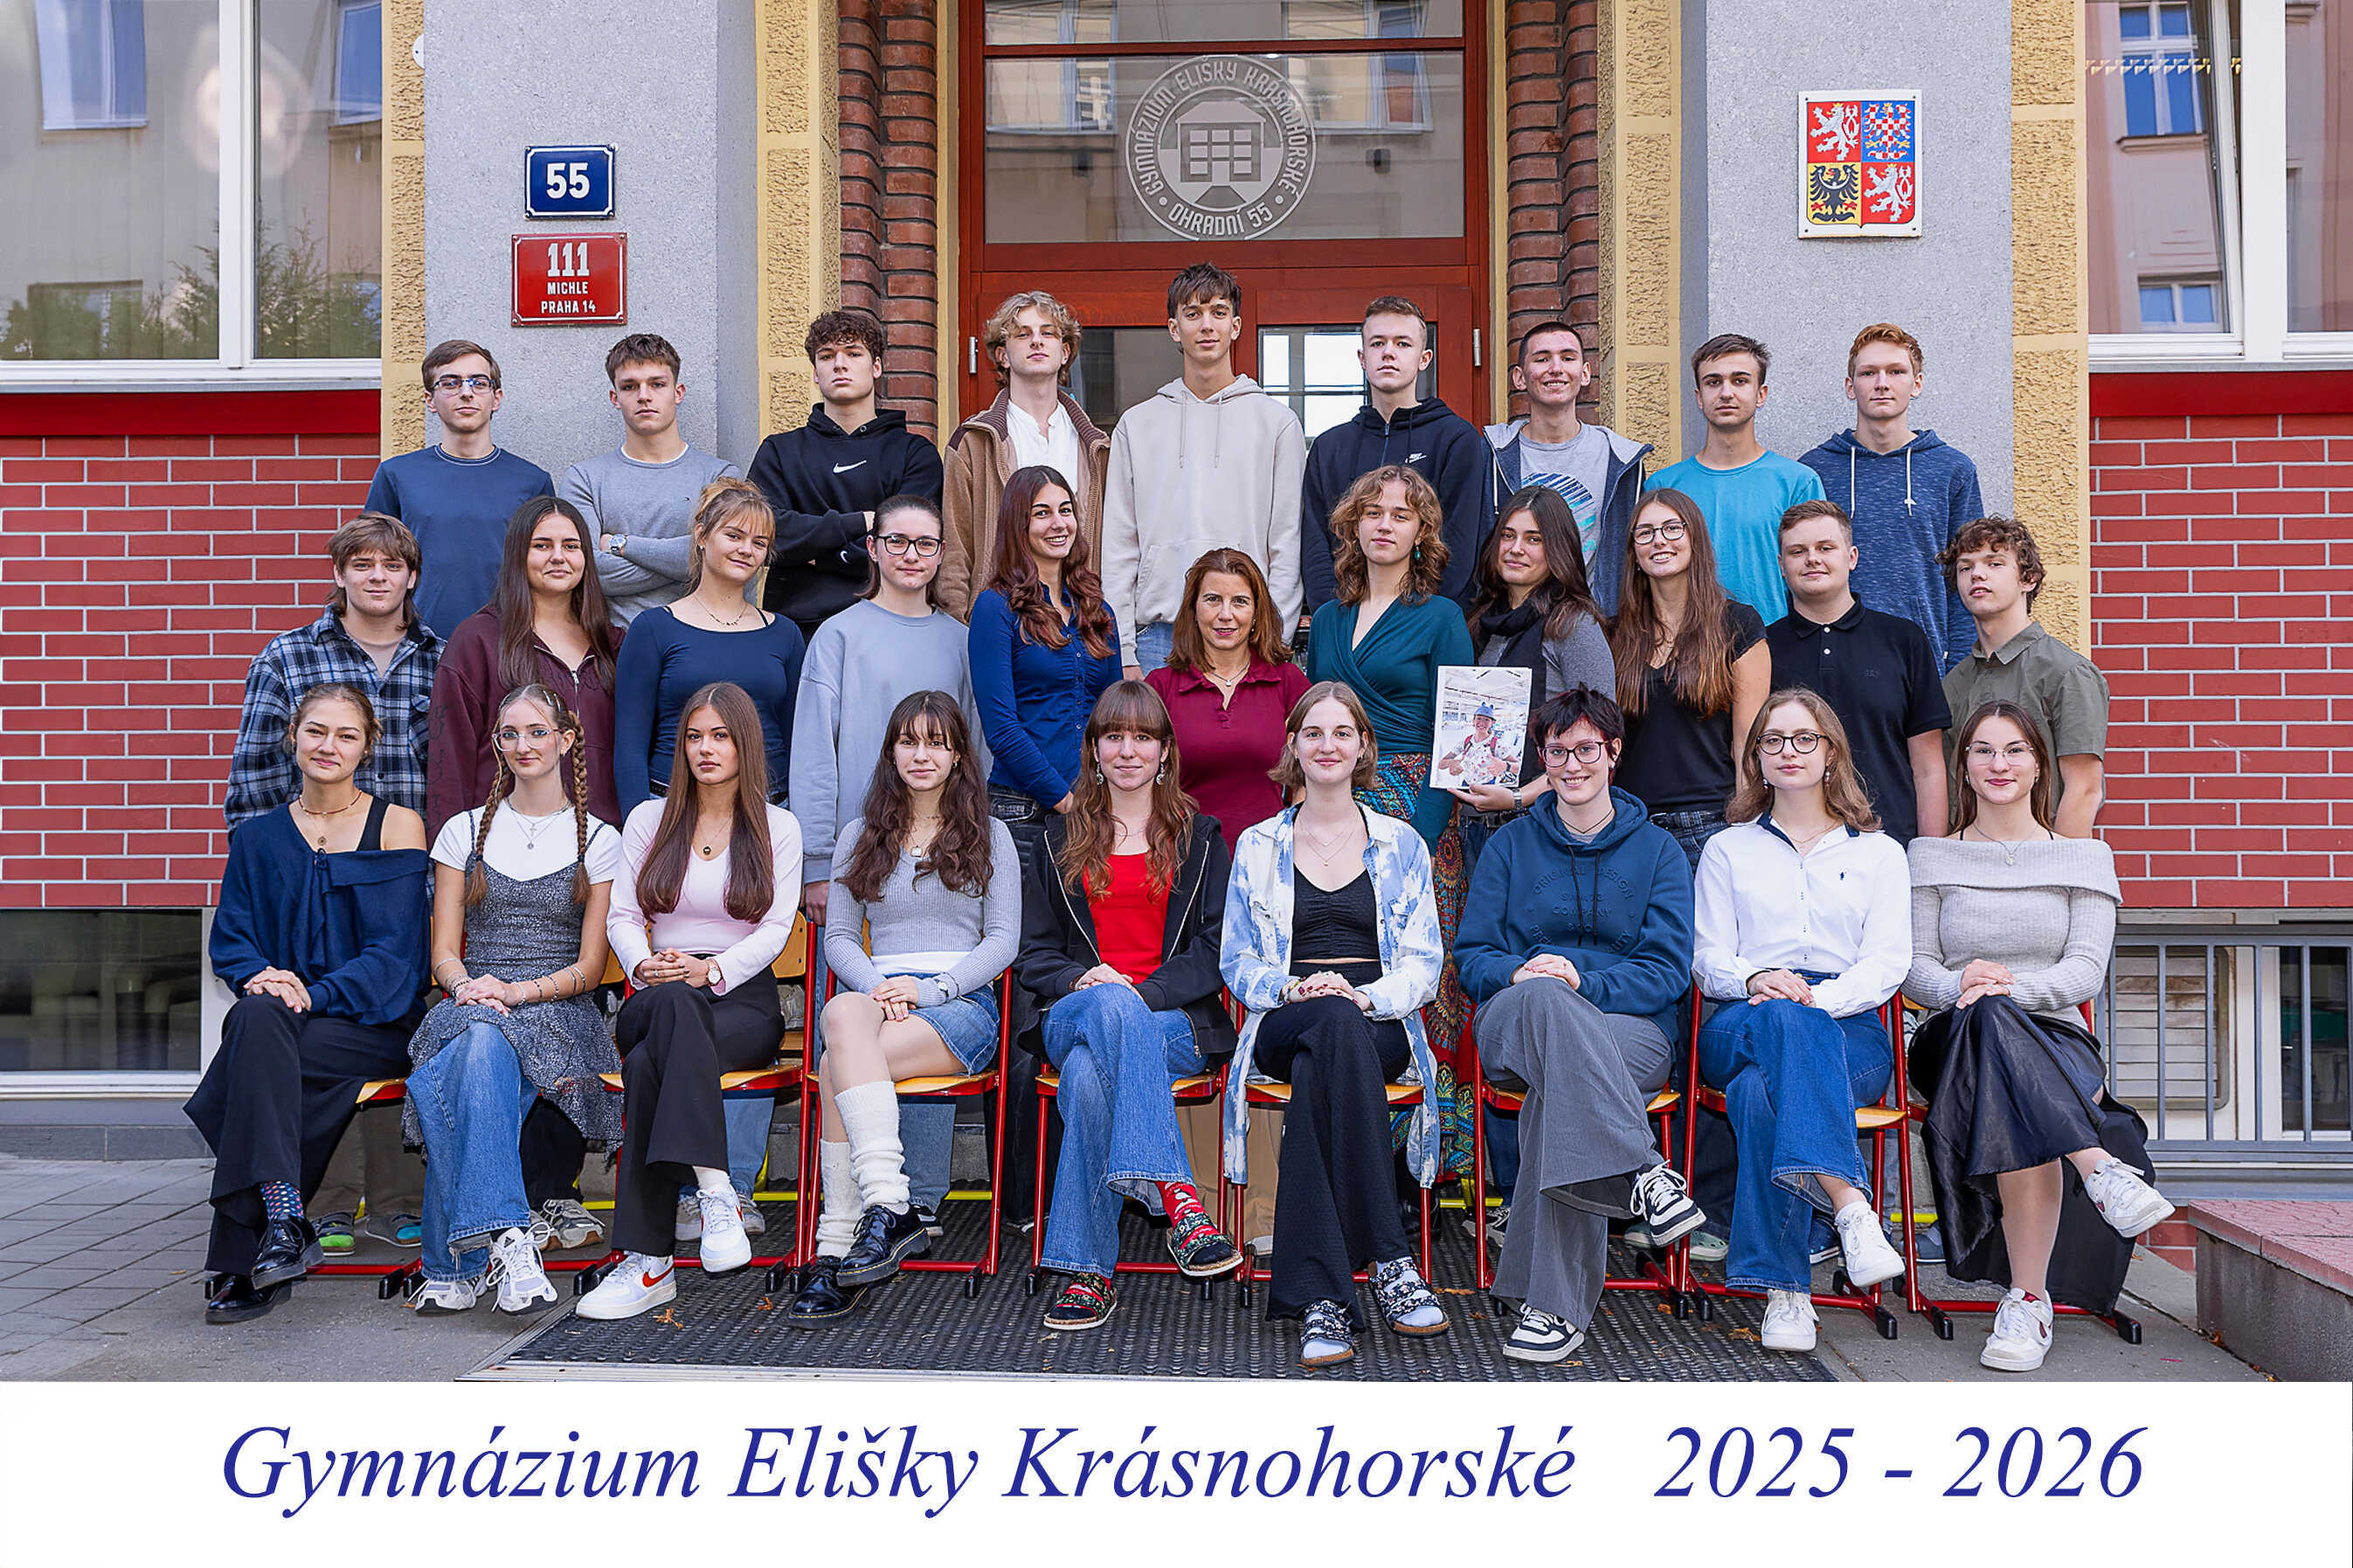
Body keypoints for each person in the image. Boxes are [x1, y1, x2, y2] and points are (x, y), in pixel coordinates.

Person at [1907, 700, 2170, 1371]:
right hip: (1950, 1037)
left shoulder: (2083, 857)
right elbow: (1913, 967)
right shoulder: (1929, 856)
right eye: (1983, 750)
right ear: (1963, 766)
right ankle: (2096, 1168)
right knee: (1987, 1023)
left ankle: (2026, 1301)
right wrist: (1962, 984)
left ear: (2038, 765)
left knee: (2006, 1049)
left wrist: (2005, 990)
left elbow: (2083, 970)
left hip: (2053, 1039)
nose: (1998, 764)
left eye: (2014, 750)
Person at [1455, 685, 1703, 1363]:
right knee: (1544, 1000)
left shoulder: (1658, 852)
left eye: (1586, 749)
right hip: (1514, 1019)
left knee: (1560, 1091)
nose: (1571, 765)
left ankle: (1549, 1304)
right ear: (1541, 757)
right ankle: (1642, 1168)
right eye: (1557, 751)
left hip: (1628, 1029)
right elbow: (1473, 956)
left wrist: (1581, 981)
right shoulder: (1508, 845)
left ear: (1614, 753)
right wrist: (1529, 976)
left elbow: (1666, 970)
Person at [1220, 682, 1450, 1368]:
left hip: (1375, 1018)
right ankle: (1391, 1259)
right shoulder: (1256, 845)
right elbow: (1236, 960)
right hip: (1284, 1016)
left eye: (1341, 732)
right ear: (1292, 745)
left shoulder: (1401, 844)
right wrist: (1295, 987)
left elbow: (1423, 964)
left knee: (1328, 1052)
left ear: (1362, 747)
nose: (1327, 745)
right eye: (1313, 733)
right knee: (1324, 1027)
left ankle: (1320, 1298)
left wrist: (1363, 997)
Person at [184, 685, 430, 1323]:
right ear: (292, 735)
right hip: (282, 1025)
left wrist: (311, 993)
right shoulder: (257, 838)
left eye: (346, 735)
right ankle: (285, 1221)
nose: (328, 746)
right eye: (316, 730)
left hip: (373, 1022)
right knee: (257, 1018)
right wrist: (263, 977)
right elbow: (233, 942)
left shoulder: (396, 825)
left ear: (368, 747)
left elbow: (395, 957)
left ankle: (246, 1251)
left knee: (253, 1054)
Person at [785, 694, 1021, 1325]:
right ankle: (889, 1204)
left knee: (836, 1064)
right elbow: (839, 938)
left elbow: (1003, 941)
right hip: (877, 996)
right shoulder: (858, 836)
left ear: (958, 755)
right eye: (909, 741)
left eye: (937, 743)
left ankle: (835, 1244)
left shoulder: (990, 834)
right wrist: (881, 989)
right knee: (842, 1018)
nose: (922, 755)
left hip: (959, 1003)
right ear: (890, 752)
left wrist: (930, 989)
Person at [1692, 689, 1913, 1354]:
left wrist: (1819, 1001)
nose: (1788, 751)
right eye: (1773, 740)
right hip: (1744, 1014)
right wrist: (1755, 979)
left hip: (1848, 1025)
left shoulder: (1880, 854)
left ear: (1830, 753)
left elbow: (1888, 963)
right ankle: (1850, 1206)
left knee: (1758, 1094)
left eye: (1804, 738)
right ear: (1756, 758)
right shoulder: (1727, 848)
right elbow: (1707, 959)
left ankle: (1785, 1292)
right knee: (1778, 1029)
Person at [581, 682, 803, 1320]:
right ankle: (716, 1188)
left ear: (744, 745)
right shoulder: (649, 820)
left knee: (648, 1066)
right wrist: (642, 964)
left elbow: (775, 928)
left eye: (721, 736)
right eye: (694, 736)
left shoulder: (778, 826)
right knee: (673, 1010)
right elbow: (624, 915)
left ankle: (646, 1263)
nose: (706, 748)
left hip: (740, 996)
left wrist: (712, 971)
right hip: (655, 991)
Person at [790, 491, 979, 1227]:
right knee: (864, 1014)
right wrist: (817, 862)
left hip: (940, 860)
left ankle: (917, 1200)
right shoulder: (837, 635)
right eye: (896, 540)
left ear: (940, 555)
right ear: (872, 548)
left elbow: (974, 750)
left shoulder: (958, 640)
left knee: (916, 1004)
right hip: (858, 863)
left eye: (925, 543)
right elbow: (814, 751)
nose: (910, 555)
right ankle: (867, 1204)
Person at [404, 685, 623, 1314]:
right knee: (478, 1041)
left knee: (469, 1058)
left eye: (537, 731)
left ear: (566, 739)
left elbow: (591, 968)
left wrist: (515, 991)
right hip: (473, 996)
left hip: (556, 1007)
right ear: (497, 744)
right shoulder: (462, 831)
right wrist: (467, 987)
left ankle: (453, 1267)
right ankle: (509, 1237)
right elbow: (444, 951)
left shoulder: (598, 839)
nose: (523, 745)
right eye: (509, 733)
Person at [1304, 466, 1476, 1145]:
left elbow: (1457, 738)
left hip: (1418, 813)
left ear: (1421, 533)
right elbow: (1314, 727)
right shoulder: (1326, 619)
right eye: (1372, 511)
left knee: (1419, 977)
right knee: (1348, 968)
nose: (1383, 524)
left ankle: (1428, 1152)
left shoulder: (1441, 617)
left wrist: (1419, 840)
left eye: (1400, 515)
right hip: (1336, 813)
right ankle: (1353, 1142)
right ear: (1352, 525)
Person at [1101, 263, 1306, 676]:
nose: (1206, 325)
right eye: (1193, 314)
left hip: (1246, 635)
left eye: (1218, 312)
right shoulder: (1137, 425)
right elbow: (1120, 546)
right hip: (1157, 636)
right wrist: (1123, 650)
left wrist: (1275, 640)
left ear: (1236, 326)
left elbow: (1286, 544)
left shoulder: (1277, 423)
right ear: (1174, 329)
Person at [747, 307, 946, 644]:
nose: (839, 364)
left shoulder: (915, 454)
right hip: (797, 630)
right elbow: (765, 536)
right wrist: (861, 523)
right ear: (815, 373)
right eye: (827, 356)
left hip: (889, 625)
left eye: (853, 353)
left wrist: (815, 554)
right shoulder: (779, 451)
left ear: (876, 367)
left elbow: (908, 547)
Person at [227, 514, 439, 828]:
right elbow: (256, 775)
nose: (378, 577)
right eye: (362, 565)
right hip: (315, 851)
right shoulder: (285, 658)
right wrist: (258, 851)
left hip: (420, 851)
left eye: (392, 566)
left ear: (411, 578)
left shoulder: (443, 662)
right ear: (339, 574)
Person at [428, 496, 625, 836]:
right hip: (503, 842)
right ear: (518, 554)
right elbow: (450, 759)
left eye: (571, 546)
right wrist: (452, 849)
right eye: (542, 545)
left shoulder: (613, 644)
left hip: (600, 840)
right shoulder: (478, 640)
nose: (558, 556)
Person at [1800, 322, 1985, 672]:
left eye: (1896, 372)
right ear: (1850, 386)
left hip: (1924, 665)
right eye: (1868, 373)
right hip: (1832, 663)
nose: (1882, 383)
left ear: (1917, 384)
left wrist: (1960, 673)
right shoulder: (1813, 470)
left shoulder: (1952, 470)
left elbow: (1970, 571)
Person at [613, 478, 806, 814]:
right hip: (672, 805)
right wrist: (637, 825)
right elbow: (630, 744)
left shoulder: (785, 634)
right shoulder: (653, 629)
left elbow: (796, 739)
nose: (746, 549)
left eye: (759, 542)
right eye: (734, 536)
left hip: (767, 807)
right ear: (702, 536)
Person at [1764, 499, 1949, 843]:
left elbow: (1928, 769)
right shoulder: (1762, 648)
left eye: (1826, 548)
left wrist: (1930, 855)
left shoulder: (1903, 639)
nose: (1812, 559)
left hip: (1889, 841)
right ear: (1781, 565)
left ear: (1852, 558)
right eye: (1798, 551)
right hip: (1787, 848)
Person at [1454, 484, 1616, 873]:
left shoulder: (1573, 624)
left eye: (1534, 539)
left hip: (1546, 825)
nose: (1515, 549)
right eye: (1508, 535)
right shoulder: (1479, 623)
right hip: (1475, 825)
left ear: (1558, 549)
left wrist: (1518, 798)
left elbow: (1601, 743)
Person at [1607, 489, 1771, 868]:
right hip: (1629, 825)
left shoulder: (1737, 624)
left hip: (1712, 825)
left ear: (1695, 539)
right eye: (1645, 532)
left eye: (1672, 528)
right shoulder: (1613, 635)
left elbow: (1748, 742)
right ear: (1633, 552)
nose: (1659, 540)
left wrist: (1748, 831)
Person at [1301, 297, 1495, 614]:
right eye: (1377, 343)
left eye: (1403, 344)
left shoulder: (1457, 440)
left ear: (1424, 358)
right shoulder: (1329, 447)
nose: (1388, 352)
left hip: (1426, 623)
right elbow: (1315, 547)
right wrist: (1336, 617)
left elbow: (1460, 547)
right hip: (1344, 621)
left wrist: (1413, 617)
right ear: (1363, 358)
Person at [968, 466, 1123, 851]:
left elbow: (1115, 713)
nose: (1059, 523)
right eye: (1042, 513)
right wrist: (1066, 801)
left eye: (1065, 510)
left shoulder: (1097, 609)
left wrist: (1104, 797)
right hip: (1022, 811)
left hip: (1095, 805)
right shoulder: (995, 608)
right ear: (1018, 524)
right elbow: (1001, 729)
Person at [364, 340, 556, 639]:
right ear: (430, 400)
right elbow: (369, 564)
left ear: (496, 398)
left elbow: (547, 573)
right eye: (450, 383)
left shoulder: (532, 481)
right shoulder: (396, 475)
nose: (466, 392)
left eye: (479, 382)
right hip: (417, 643)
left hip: (508, 642)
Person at [940, 290, 1111, 620]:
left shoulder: (1097, 447)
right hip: (1001, 620)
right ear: (1002, 355)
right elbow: (955, 556)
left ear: (1065, 353)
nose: (1036, 341)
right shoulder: (973, 442)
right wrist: (964, 629)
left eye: (1048, 333)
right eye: (1022, 334)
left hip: (1078, 620)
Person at [1939, 516, 2109, 839]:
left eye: (1994, 563)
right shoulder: (1954, 684)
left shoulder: (2068, 673)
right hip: (1967, 858)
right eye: (1965, 567)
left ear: (2028, 579)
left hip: (2041, 859)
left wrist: (2057, 866)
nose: (1977, 574)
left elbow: (2085, 789)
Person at [1641, 333, 1825, 623]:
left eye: (1740, 381)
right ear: (1699, 397)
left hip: (1774, 640)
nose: (1726, 393)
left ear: (1761, 394)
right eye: (1714, 382)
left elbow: (1817, 581)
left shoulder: (1797, 483)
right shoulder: (1664, 486)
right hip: (1687, 641)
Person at [564, 332, 743, 628]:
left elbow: (727, 560)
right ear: (615, 398)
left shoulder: (720, 477)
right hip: (614, 645)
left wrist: (621, 544)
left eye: (657, 384)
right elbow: (589, 572)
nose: (644, 396)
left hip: (702, 638)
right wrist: (693, 561)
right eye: (630, 386)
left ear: (678, 392)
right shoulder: (584, 479)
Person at [1145, 548, 1309, 857]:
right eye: (1212, 599)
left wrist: (1294, 831)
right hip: (1183, 861)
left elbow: (1313, 768)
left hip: (1268, 858)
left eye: (1240, 601)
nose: (1225, 614)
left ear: (1257, 611)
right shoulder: (1160, 686)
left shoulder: (1288, 682)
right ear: (1193, 609)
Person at [1484, 321, 1653, 607]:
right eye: (1542, 359)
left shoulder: (1621, 459)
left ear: (1585, 373)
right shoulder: (1492, 454)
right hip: (1511, 618)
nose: (1555, 368)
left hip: (1596, 620)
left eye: (1567, 358)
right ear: (1519, 378)